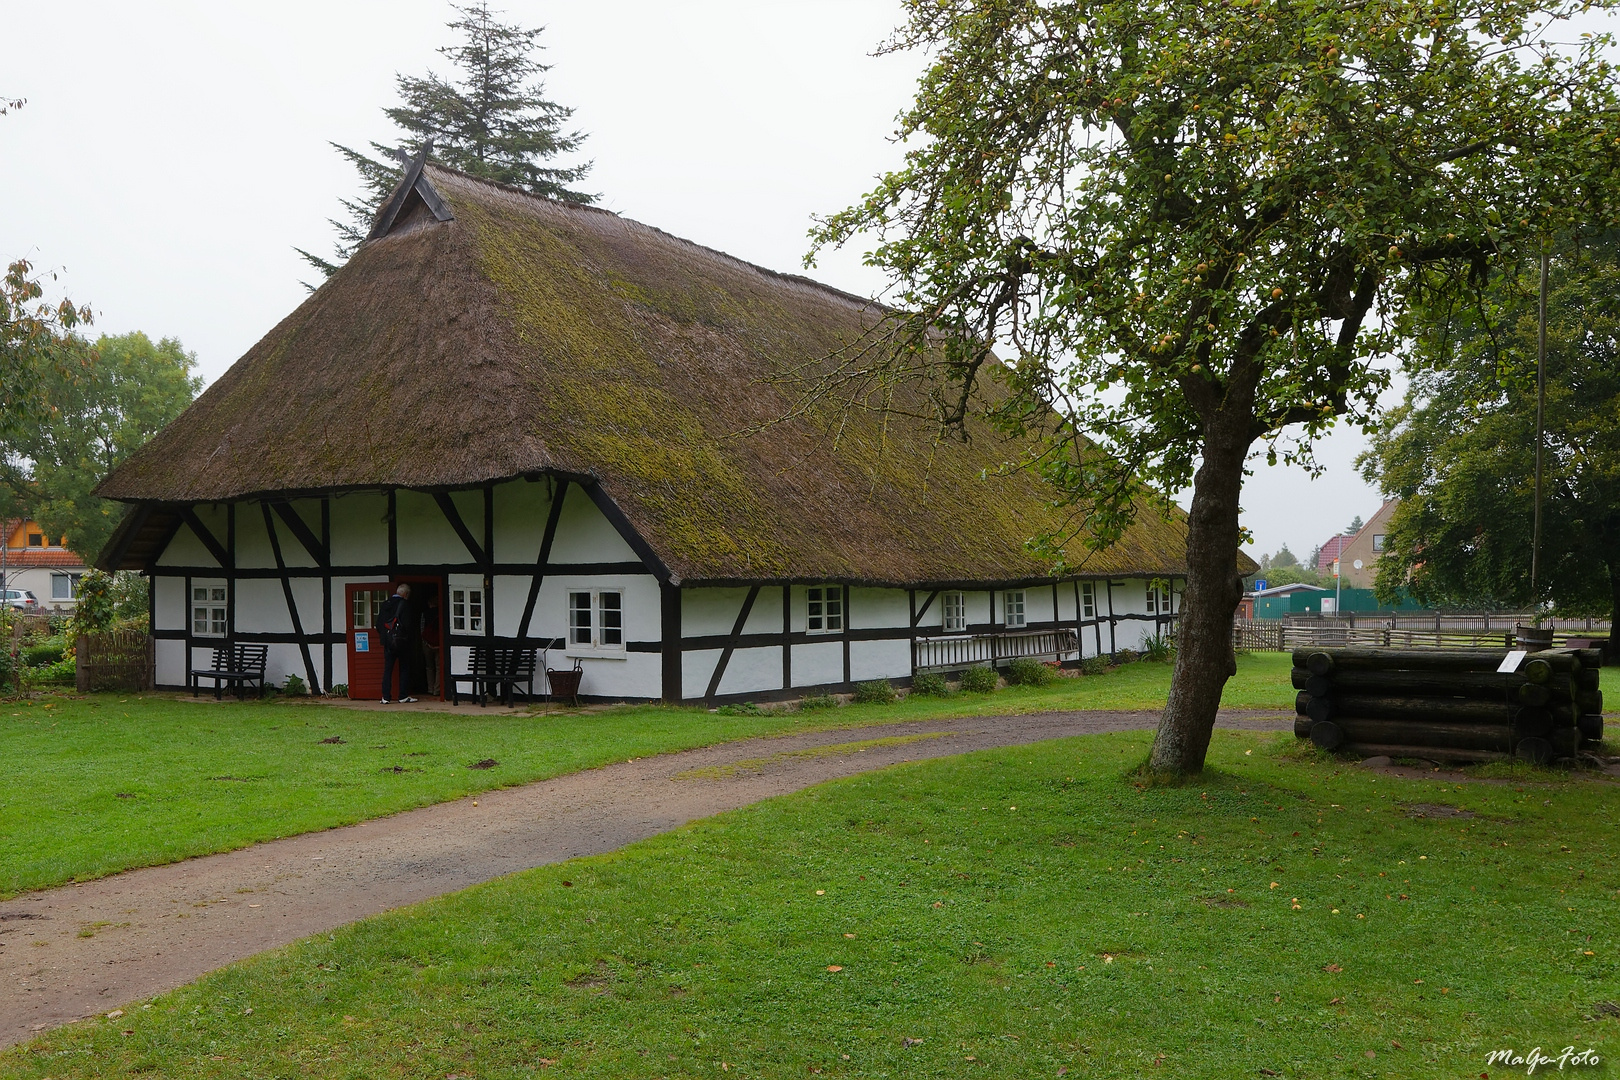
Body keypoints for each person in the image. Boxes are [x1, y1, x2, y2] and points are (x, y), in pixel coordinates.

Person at [378, 583, 418, 703]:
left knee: (388, 669)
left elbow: (378, 625)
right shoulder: (405, 605)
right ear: (406, 594)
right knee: (404, 668)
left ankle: (385, 697)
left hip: (388, 643)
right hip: (402, 643)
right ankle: (402, 696)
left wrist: (385, 638)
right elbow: (408, 625)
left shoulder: (386, 604)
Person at [421, 597, 442, 696]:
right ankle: (436, 689)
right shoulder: (441, 613)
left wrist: (426, 643)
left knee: (429, 667)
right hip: (439, 644)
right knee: (439, 667)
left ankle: (430, 688)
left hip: (427, 644)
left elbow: (422, 630)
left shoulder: (424, 614)